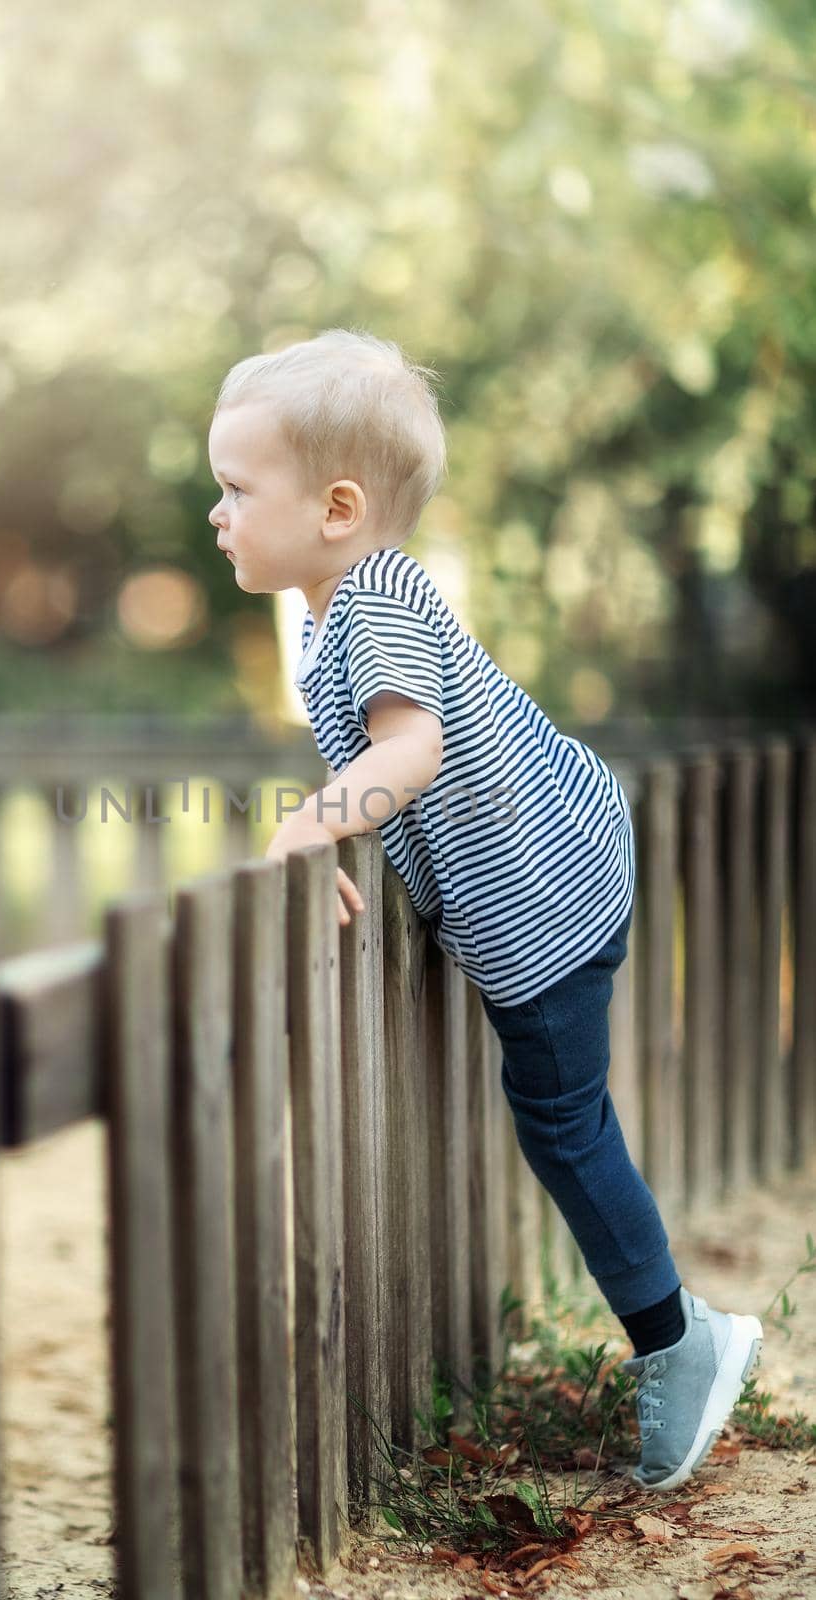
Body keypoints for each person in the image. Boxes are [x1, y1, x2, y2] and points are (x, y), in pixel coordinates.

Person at [206, 326, 763, 1491]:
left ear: (336, 507)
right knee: (560, 1113)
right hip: (553, 860)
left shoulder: (376, 600)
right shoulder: (334, 610)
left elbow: (412, 746)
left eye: (233, 488)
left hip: (550, 894)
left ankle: (680, 1339)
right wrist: (353, 843)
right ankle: (674, 1332)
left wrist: (319, 817)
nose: (215, 513)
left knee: (561, 1122)